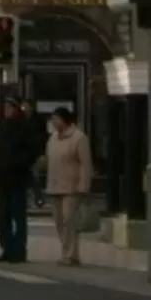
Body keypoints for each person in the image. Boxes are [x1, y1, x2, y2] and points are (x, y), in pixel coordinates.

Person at [0, 98, 43, 263]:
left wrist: (19, 162)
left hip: (17, 176)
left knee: (18, 214)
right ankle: (6, 247)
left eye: (10, 107)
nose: (6, 110)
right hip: (2, 177)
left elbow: (33, 151)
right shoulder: (4, 126)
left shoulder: (25, 127)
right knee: (3, 215)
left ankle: (19, 249)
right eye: (5, 107)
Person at [42, 106, 94, 265]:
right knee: (59, 220)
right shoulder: (53, 138)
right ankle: (66, 250)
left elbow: (86, 164)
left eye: (55, 119)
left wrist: (84, 185)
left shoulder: (79, 138)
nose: (53, 122)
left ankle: (71, 254)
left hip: (71, 186)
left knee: (69, 219)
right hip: (55, 185)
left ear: (64, 120)